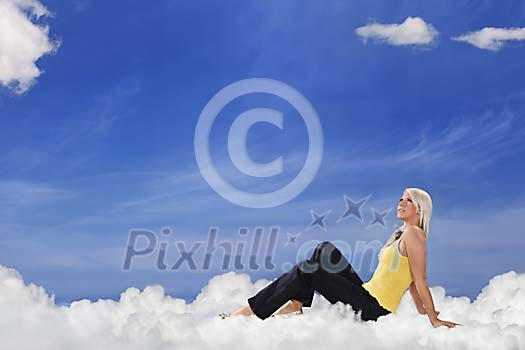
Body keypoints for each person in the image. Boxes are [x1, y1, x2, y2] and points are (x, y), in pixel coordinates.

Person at [221, 188, 461, 328]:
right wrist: (421, 310)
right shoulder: (402, 235)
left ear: (420, 209)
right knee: (325, 249)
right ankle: (296, 305)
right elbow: (409, 281)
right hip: (366, 293)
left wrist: (432, 318)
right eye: (401, 198)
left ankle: (250, 310)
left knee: (308, 269)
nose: (401, 203)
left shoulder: (415, 234)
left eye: (409, 200)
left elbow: (420, 280)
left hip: (374, 309)